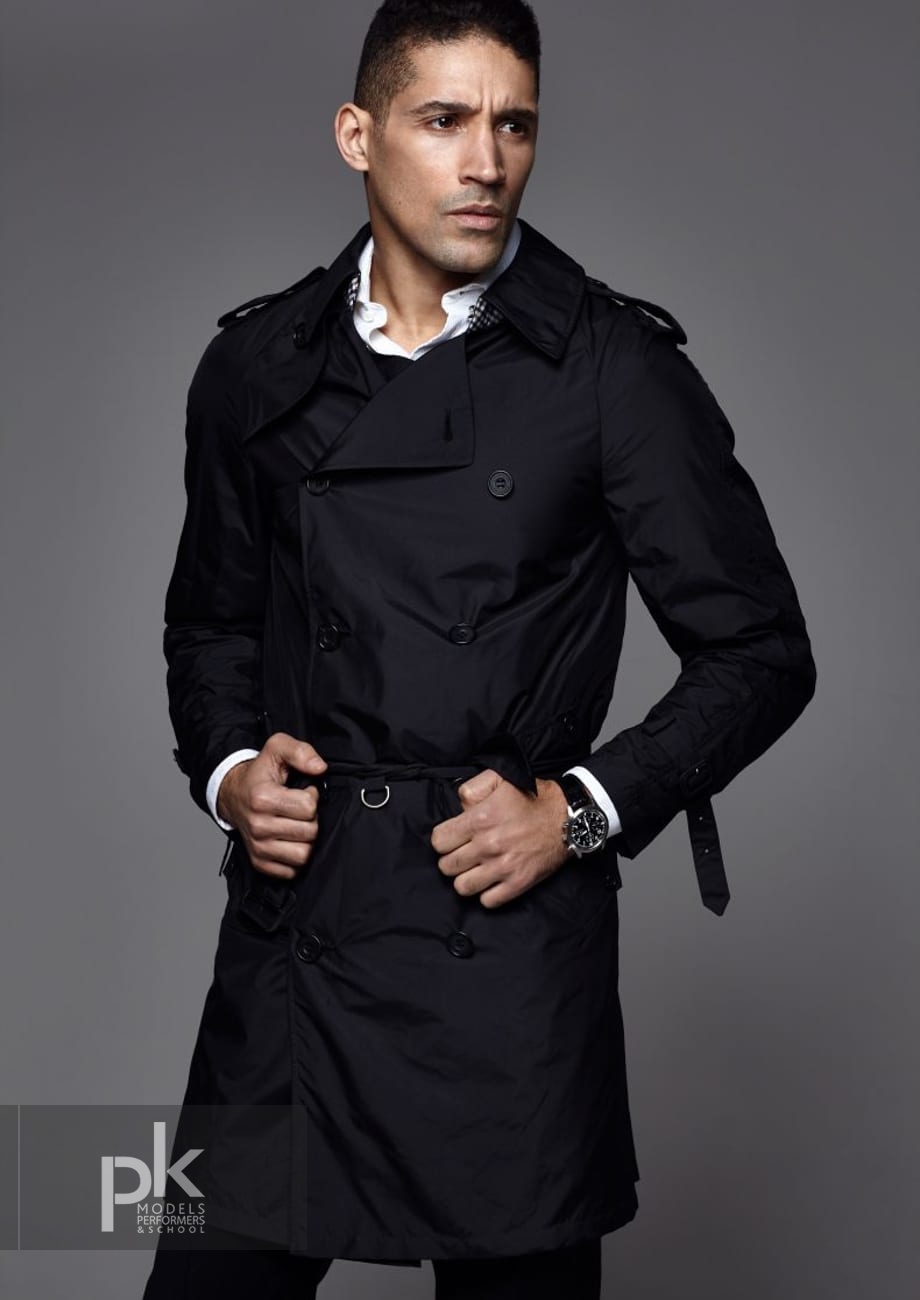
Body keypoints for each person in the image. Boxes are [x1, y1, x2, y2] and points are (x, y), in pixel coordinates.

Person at [143, 1, 817, 1295]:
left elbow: (761, 650)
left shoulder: (611, 369)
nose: (487, 162)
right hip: (298, 950)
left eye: (515, 124)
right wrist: (229, 771)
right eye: (445, 119)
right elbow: (211, 620)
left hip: (502, 959)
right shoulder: (254, 366)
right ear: (358, 135)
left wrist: (580, 810)